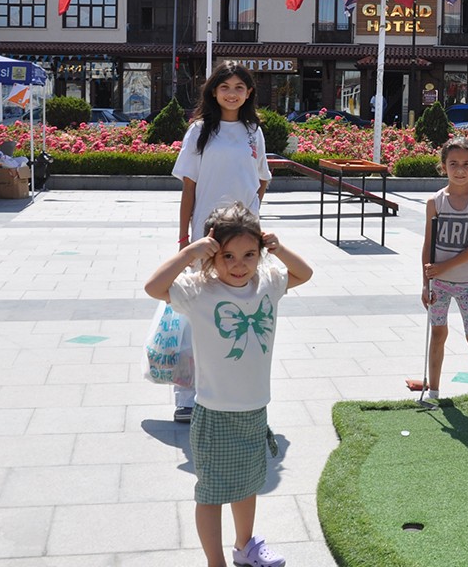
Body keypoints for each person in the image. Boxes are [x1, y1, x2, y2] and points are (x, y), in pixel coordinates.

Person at [145, 203, 313, 567]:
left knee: (248, 483)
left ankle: (245, 546)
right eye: (228, 256)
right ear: (211, 256)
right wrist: (189, 251)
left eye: (250, 255)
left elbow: (305, 272)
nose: (239, 265)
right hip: (215, 411)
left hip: (255, 407)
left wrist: (278, 249)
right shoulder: (197, 289)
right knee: (210, 494)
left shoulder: (267, 281)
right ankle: (215, 561)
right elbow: (153, 286)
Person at [170, 61, 273, 424]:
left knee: (239, 307)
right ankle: (186, 395)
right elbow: (189, 188)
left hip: (245, 236)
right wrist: (185, 238)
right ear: (213, 91)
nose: (232, 93)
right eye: (225, 86)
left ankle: (231, 386)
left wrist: (252, 211)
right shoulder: (199, 131)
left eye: (239, 87)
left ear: (249, 94)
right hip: (207, 235)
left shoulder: (252, 132)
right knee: (195, 310)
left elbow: (261, 178)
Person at [420, 136, 468, 417]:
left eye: (467, 164)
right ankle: (433, 392)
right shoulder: (435, 202)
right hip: (438, 284)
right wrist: (425, 282)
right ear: (443, 166)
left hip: (467, 283)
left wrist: (445, 267)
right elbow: (428, 245)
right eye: (453, 163)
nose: (460, 169)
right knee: (438, 334)